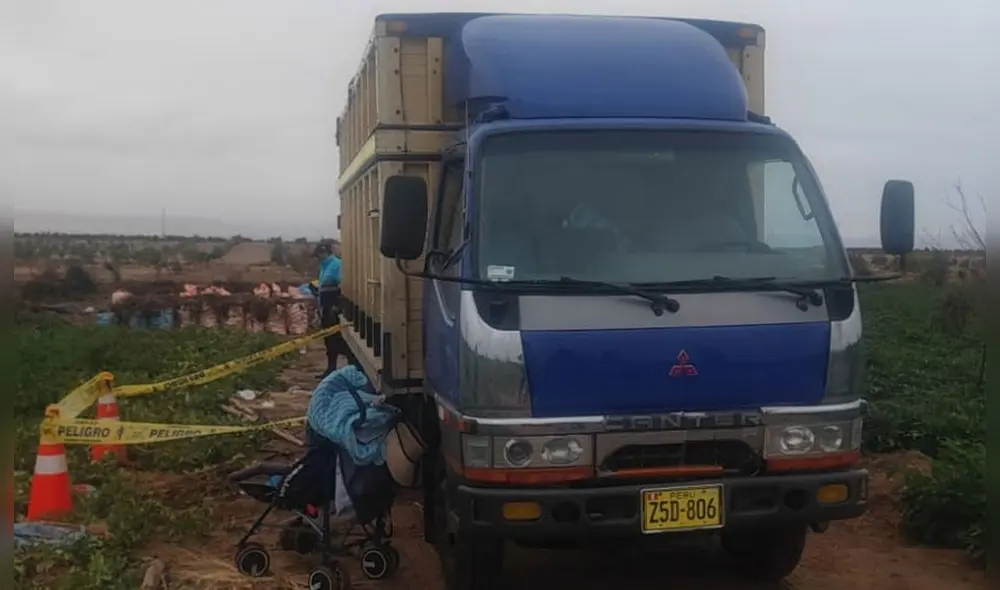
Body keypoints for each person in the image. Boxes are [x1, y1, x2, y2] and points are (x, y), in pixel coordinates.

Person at [314, 240, 355, 377]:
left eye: (320, 254)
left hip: (334, 308)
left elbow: (343, 285)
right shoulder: (324, 266)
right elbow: (323, 285)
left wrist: (337, 306)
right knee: (328, 339)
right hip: (325, 307)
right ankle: (331, 369)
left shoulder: (336, 264)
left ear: (326, 252)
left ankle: (352, 369)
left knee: (338, 339)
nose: (319, 257)